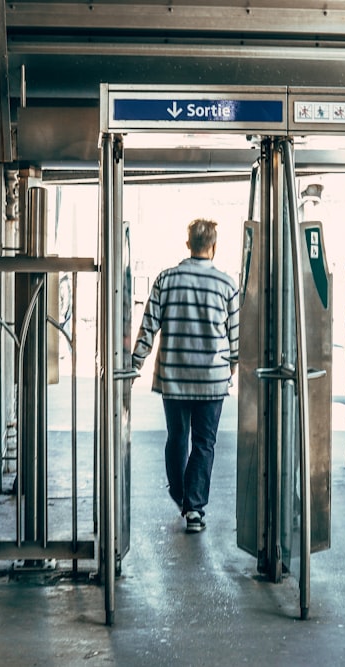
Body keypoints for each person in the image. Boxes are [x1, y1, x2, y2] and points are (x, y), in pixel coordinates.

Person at [131, 218, 240, 533]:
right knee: (204, 442)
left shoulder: (166, 280)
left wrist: (135, 364)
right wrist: (230, 366)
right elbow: (237, 337)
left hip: (174, 379)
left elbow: (149, 325)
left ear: (188, 244)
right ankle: (194, 508)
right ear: (214, 247)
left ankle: (180, 494)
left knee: (177, 437)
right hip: (212, 381)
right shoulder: (226, 285)